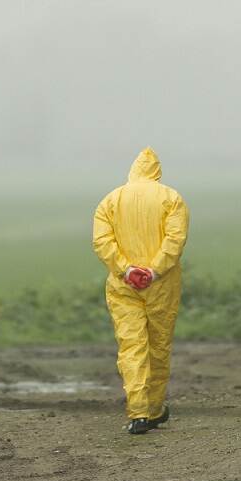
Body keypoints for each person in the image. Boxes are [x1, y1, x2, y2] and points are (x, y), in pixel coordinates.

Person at [92, 147, 190, 435]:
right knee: (158, 346)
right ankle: (155, 408)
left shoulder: (110, 201)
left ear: (132, 170)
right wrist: (154, 270)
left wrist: (127, 270)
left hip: (123, 285)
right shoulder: (171, 199)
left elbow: (102, 242)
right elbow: (175, 239)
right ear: (156, 172)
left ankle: (138, 413)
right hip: (162, 284)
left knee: (131, 346)